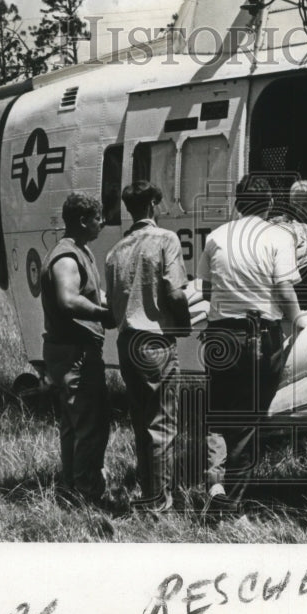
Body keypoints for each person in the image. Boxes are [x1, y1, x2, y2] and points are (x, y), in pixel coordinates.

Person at [197, 174, 307, 517]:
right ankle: (232, 506)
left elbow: (205, 291)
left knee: (217, 415)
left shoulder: (215, 237)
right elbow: (285, 290)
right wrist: (299, 321)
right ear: (271, 205)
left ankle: (214, 483)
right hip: (258, 336)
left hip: (220, 335)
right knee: (247, 422)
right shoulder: (277, 237)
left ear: (236, 201)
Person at [103, 181, 191, 514]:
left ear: (129, 208)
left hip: (127, 341)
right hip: (155, 340)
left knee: (141, 420)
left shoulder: (116, 251)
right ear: (153, 204)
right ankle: (158, 502)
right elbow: (174, 292)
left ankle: (147, 488)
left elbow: (112, 311)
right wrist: (182, 325)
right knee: (163, 423)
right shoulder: (165, 240)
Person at [40, 193, 114, 505]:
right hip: (75, 354)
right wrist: (103, 315)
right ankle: (88, 493)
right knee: (90, 425)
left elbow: (89, 293)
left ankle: (70, 488)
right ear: (84, 220)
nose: (103, 223)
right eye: (98, 218)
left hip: (71, 350)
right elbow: (68, 299)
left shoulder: (80, 251)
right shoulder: (67, 258)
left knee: (74, 424)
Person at [271, 179, 307, 259]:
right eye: (296, 204)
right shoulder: (283, 224)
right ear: (291, 204)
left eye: (305, 204)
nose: (300, 209)